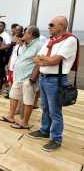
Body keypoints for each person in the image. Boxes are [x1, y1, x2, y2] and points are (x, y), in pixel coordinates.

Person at [28, 16, 78, 152]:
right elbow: (36, 58)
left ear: (61, 26)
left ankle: (56, 138)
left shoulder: (70, 40)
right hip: (44, 78)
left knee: (55, 111)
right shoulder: (51, 40)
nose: (48, 27)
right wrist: (46, 60)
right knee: (45, 107)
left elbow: (55, 61)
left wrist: (45, 60)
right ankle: (45, 130)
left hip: (56, 80)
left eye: (51, 25)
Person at [0, 26, 43, 130]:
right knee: (13, 95)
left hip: (28, 78)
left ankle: (24, 122)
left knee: (28, 100)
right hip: (18, 76)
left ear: (31, 34)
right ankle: (10, 116)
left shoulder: (39, 45)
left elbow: (39, 62)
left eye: (25, 33)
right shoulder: (25, 44)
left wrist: (33, 78)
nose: (23, 35)